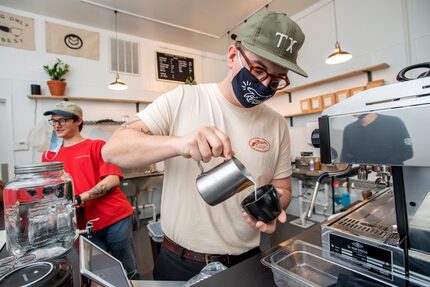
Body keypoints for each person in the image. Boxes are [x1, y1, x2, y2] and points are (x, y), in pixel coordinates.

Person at [102, 11, 308, 281]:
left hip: (247, 259)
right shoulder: (184, 99)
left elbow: (283, 188)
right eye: (258, 69)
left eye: (277, 79)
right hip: (180, 259)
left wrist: (273, 206)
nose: (264, 84)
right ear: (233, 55)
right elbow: (113, 149)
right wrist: (179, 143)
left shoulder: (277, 124)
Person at [42, 101, 141, 280]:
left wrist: (80, 198)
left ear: (78, 120)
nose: (57, 125)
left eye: (62, 120)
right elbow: (50, 190)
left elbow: (112, 179)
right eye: (53, 120)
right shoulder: (50, 157)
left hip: (114, 219)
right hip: (82, 227)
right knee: (99, 276)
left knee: (128, 270)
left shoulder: (97, 146)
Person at [340, 113, 414, 165]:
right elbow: (345, 158)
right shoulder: (349, 129)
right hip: (364, 176)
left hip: (392, 174)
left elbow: (406, 152)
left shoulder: (393, 122)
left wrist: (377, 167)